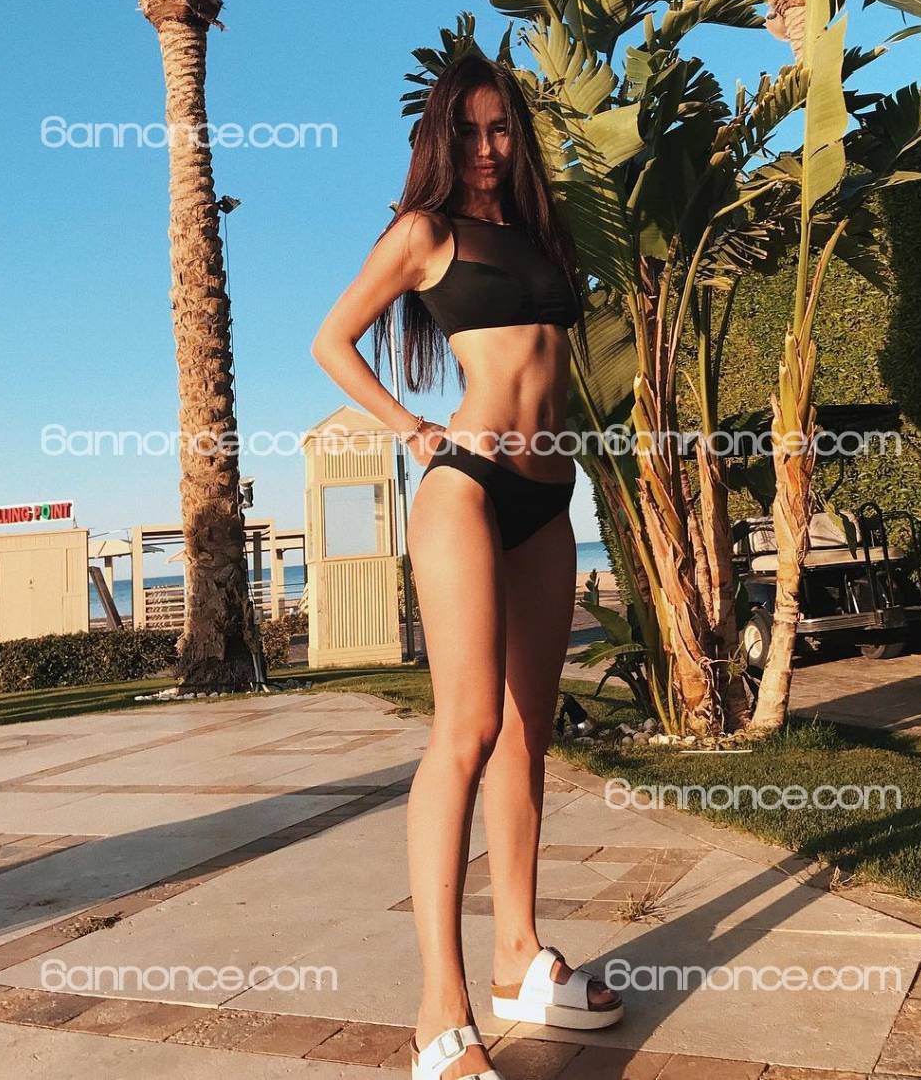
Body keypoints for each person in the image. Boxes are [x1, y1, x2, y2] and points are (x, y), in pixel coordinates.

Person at [311, 55, 622, 1080]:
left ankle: (518, 957)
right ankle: (437, 1008)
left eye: (500, 129)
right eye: (470, 131)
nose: (487, 148)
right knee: (469, 728)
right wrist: (413, 429)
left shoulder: (538, 231)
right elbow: (331, 342)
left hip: (548, 502)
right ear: (442, 139)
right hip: (467, 487)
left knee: (529, 732)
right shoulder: (423, 234)